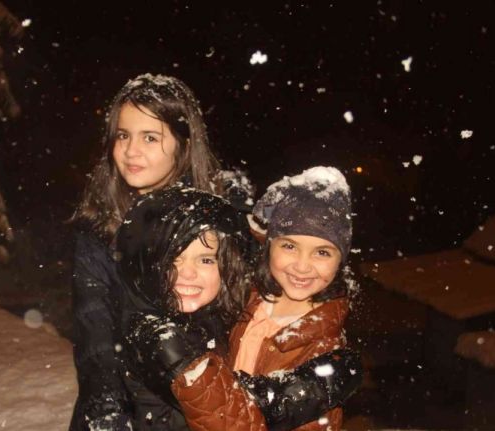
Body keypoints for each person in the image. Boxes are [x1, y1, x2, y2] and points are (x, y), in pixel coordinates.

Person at [123, 185, 362, 431]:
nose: (302, 266)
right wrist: (304, 392)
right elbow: (225, 411)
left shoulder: (324, 346)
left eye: (322, 252)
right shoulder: (241, 301)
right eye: (289, 246)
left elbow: (230, 407)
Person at [69, 73, 231, 431]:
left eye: (150, 137)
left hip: (201, 409)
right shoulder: (98, 229)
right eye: (123, 135)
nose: (131, 150)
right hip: (123, 409)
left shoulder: (216, 221)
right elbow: (95, 335)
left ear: (183, 145)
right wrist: (107, 413)